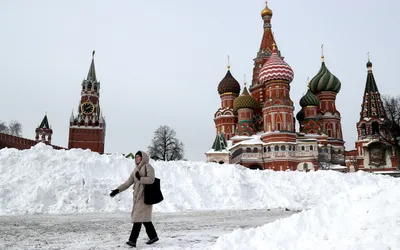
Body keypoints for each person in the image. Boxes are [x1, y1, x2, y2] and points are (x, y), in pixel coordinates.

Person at [110, 150, 159, 248]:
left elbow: (151, 180)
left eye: (138, 157)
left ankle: (132, 240)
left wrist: (140, 178)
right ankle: (153, 236)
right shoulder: (135, 170)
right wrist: (117, 190)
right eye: (136, 157)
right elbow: (128, 182)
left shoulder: (148, 167)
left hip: (145, 197)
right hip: (137, 198)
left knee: (137, 219)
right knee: (144, 219)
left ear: (143, 158)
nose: (137, 159)